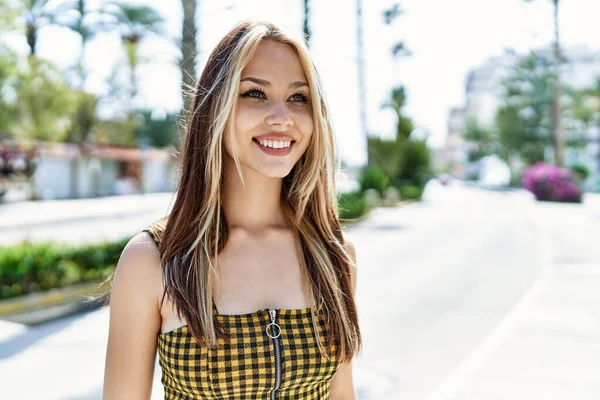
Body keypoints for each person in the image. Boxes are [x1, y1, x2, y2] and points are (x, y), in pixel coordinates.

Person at [103, 19, 362, 399]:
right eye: (255, 94)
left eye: (298, 97)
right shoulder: (156, 259)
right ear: (215, 109)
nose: (282, 117)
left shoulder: (332, 255)